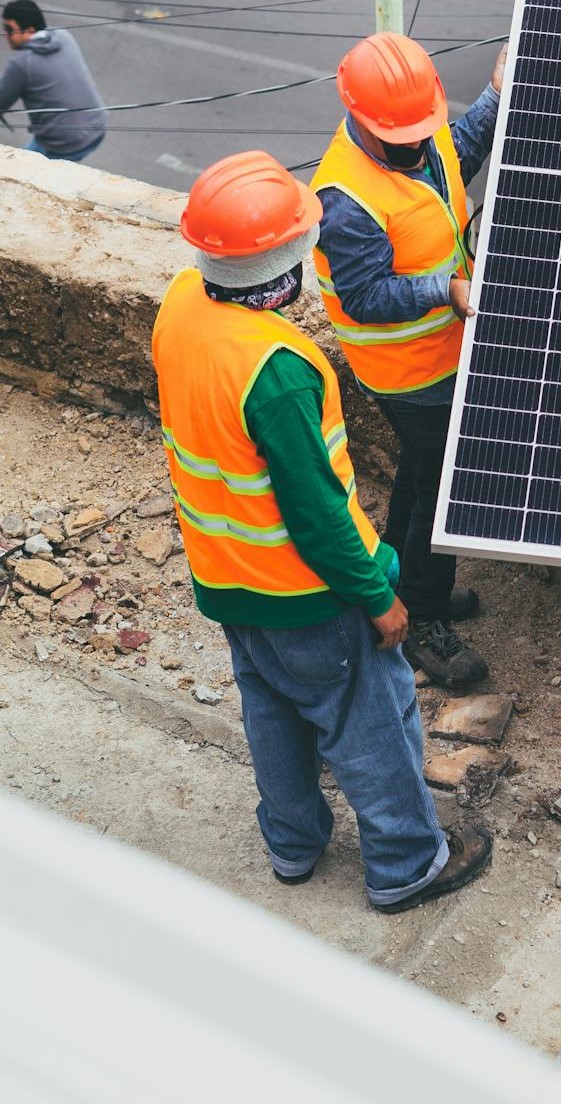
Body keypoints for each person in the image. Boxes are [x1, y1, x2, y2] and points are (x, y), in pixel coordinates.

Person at [151, 150, 491, 911]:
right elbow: (316, 513)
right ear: (289, 261)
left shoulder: (179, 306)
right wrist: (379, 597)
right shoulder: (277, 367)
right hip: (308, 596)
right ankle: (407, 862)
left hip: (227, 579)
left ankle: (293, 845)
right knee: (371, 725)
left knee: (272, 712)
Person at [311, 32, 504, 693]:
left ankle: (408, 581)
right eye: (405, 132)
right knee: (436, 488)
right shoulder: (346, 200)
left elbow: (457, 156)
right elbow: (364, 298)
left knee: (424, 481)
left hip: (446, 352)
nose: (418, 140)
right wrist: (443, 291)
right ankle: (419, 615)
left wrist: (494, 97)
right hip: (410, 373)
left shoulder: (418, 142)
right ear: (363, 120)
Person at [0, 0, 107, 162]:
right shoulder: (63, 35)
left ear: (29, 30)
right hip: (97, 127)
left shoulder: (23, 62)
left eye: (9, 29)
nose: (6, 35)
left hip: (65, 144)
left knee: (17, 168)